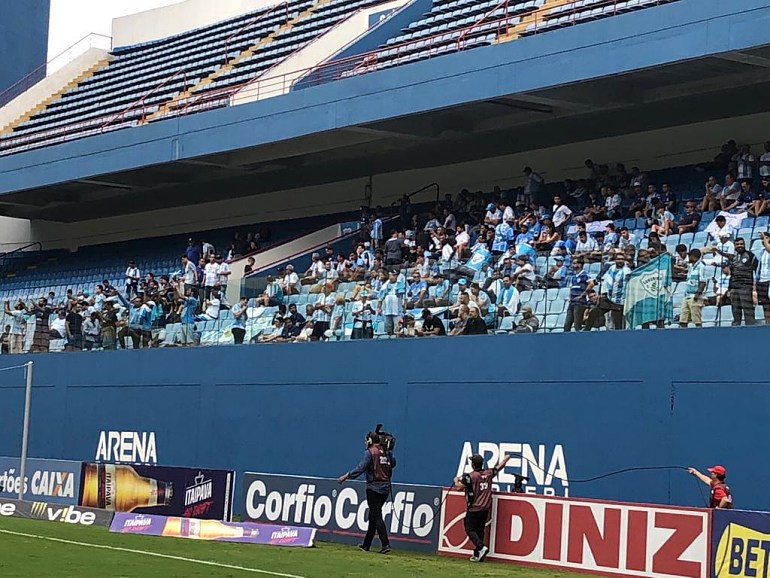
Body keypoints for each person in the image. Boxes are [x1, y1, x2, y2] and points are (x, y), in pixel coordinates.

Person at [337, 430, 395, 554]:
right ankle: (366, 544)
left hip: (374, 488)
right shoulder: (385, 452)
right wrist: (389, 452)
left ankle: (385, 544)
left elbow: (360, 469)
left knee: (376, 516)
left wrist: (345, 476)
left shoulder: (370, 453)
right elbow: (393, 464)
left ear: (370, 441)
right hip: (385, 489)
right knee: (373, 516)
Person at [453, 453, 510, 562]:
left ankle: (480, 547)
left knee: (469, 528)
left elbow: (459, 488)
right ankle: (477, 554)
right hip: (485, 508)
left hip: (474, 507)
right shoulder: (488, 473)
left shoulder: (470, 476)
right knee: (480, 530)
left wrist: (456, 480)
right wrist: (506, 459)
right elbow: (500, 466)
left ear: (473, 464)